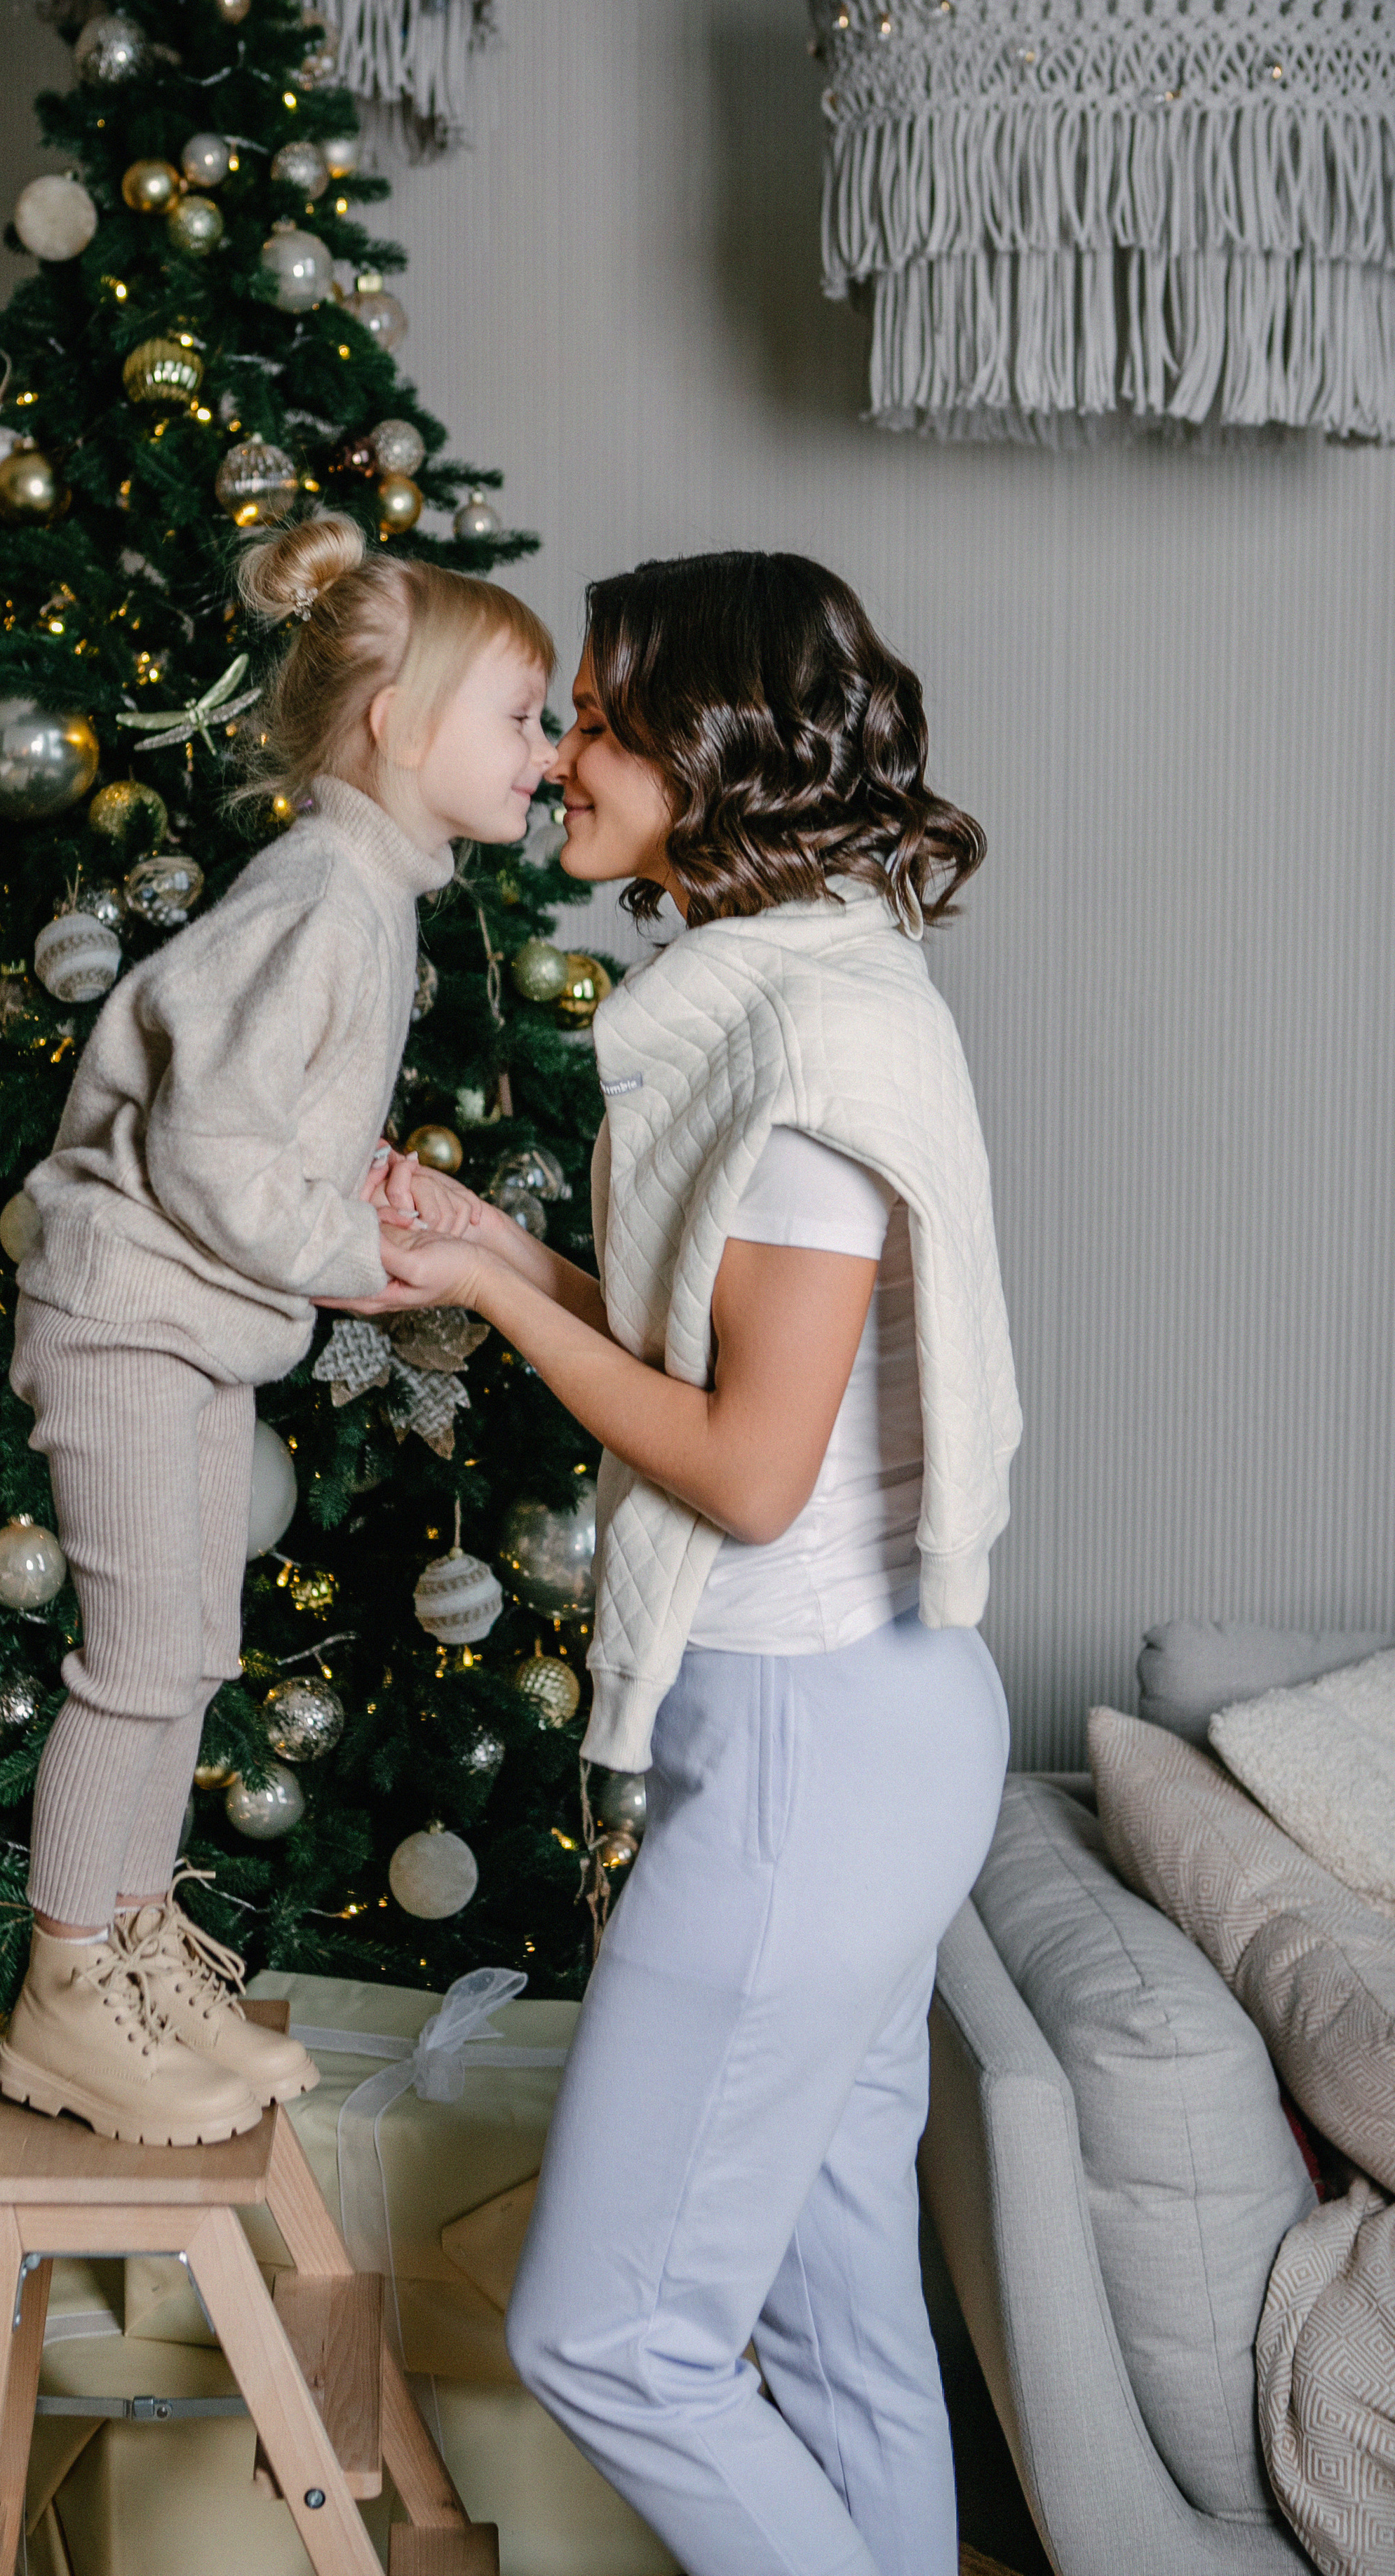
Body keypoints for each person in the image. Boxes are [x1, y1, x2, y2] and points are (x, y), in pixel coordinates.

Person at [358, 550, 1022, 2576]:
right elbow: (729, 1364)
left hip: (814, 1751)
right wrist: (492, 1258)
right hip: (882, 1724)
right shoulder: (808, 1000)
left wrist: (516, 1305)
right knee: (840, 2336)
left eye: (601, 713)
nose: (561, 754)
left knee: (611, 2338)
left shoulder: (810, 1054)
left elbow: (746, 1466)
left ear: (715, 746)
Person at [0, 513, 555, 2146]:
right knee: (138, 1664)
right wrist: (340, 1247)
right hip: (124, 1320)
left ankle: (131, 1952)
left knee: (185, 1655)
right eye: (517, 716)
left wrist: (349, 1187)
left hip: (185, 1326)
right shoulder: (324, 892)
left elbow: (259, 1115)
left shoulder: (366, 892)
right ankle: (66, 1987)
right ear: (395, 724)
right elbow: (204, 1153)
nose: (546, 747)